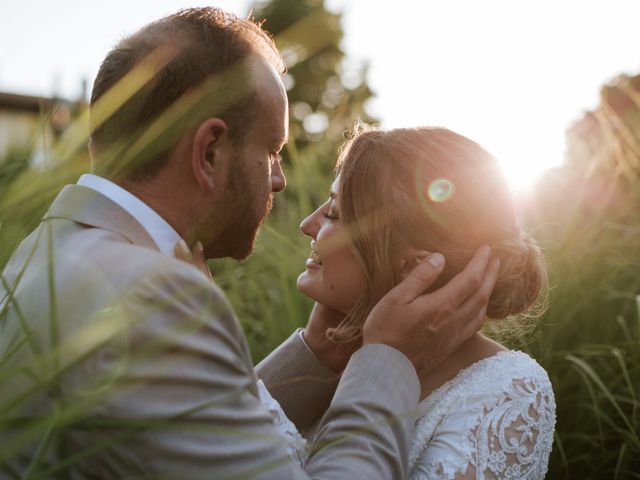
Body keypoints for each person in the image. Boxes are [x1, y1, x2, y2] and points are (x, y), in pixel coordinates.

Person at [0, 7, 500, 479]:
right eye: (272, 150)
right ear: (210, 151)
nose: (279, 180)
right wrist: (390, 358)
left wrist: (318, 355)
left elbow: (201, 437)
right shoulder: (157, 299)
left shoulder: (43, 253)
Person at [283, 124, 556, 479]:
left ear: (414, 267)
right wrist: (314, 354)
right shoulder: (334, 355)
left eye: (333, 214)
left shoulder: (508, 390)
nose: (307, 224)